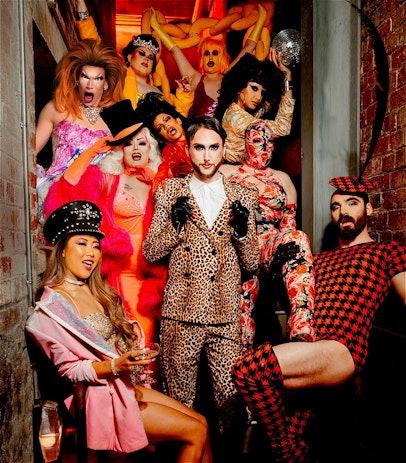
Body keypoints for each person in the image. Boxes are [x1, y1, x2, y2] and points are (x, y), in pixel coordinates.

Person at [230, 176, 406, 462]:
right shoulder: (316, 259)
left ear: (369, 209)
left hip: (340, 348)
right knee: (291, 429)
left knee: (248, 371)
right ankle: (290, 449)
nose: (343, 212)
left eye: (351, 203)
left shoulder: (387, 251)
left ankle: (287, 450)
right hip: (307, 345)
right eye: (335, 206)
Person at [26, 201, 212, 462]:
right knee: (195, 430)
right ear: (62, 250)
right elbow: (70, 371)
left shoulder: (97, 290)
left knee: (201, 421)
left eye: (96, 246)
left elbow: (113, 342)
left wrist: (131, 350)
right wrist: (115, 365)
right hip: (98, 400)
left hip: (122, 386)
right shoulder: (49, 311)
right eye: (82, 243)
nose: (91, 252)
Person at [142, 117, 260, 459]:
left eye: (213, 147)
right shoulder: (169, 191)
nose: (206, 156)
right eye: (199, 147)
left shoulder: (243, 195)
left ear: (223, 148)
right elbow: (151, 251)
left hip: (225, 317)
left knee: (231, 404)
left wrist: (240, 233)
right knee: (179, 406)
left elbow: (251, 262)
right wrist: (176, 226)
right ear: (189, 149)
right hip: (181, 313)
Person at [43, 100, 168, 350]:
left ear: (150, 149)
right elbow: (69, 184)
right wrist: (94, 150)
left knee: (155, 340)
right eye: (128, 143)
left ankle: (145, 387)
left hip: (156, 273)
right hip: (124, 272)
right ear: (119, 150)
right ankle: (130, 388)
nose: (135, 148)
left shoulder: (160, 182)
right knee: (132, 338)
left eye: (141, 143)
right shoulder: (110, 181)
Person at [220, 120, 315, 349]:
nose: (264, 147)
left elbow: (288, 226)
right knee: (244, 297)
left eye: (269, 141)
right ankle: (240, 365)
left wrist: (283, 264)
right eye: (256, 140)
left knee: (298, 238)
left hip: (269, 248)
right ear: (245, 144)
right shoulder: (226, 172)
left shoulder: (283, 179)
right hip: (236, 247)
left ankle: (301, 324)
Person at [36, 37, 126, 223]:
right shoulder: (57, 108)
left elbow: (129, 162)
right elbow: (29, 152)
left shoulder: (117, 117)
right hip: (59, 195)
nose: (90, 84)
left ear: (106, 83)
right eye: (85, 76)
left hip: (98, 202)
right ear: (77, 80)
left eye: (98, 78)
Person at [75, 0, 193, 116]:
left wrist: (185, 94)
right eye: (141, 53)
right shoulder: (119, 76)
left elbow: (179, 117)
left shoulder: (161, 94)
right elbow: (95, 44)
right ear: (130, 57)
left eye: (150, 57)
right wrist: (82, 8)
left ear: (153, 66)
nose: (146, 59)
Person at [149, 4, 267, 119]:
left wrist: (261, 18)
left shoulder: (229, 77)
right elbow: (175, 50)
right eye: (206, 54)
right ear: (202, 58)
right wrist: (157, 27)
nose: (210, 57)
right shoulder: (195, 79)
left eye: (215, 53)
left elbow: (249, 46)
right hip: (197, 136)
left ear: (222, 57)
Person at [215, 51, 295, 164]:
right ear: (239, 86)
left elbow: (269, 104)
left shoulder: (235, 110)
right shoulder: (239, 119)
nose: (258, 97)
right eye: (254, 88)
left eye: (262, 93)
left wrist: (276, 71)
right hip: (238, 175)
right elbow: (283, 128)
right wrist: (287, 77)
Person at [136, 92, 194, 183]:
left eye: (167, 119)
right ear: (162, 139)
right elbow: (166, 168)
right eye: (160, 127)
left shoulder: (199, 134)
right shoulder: (169, 152)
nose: (166, 125)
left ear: (178, 120)